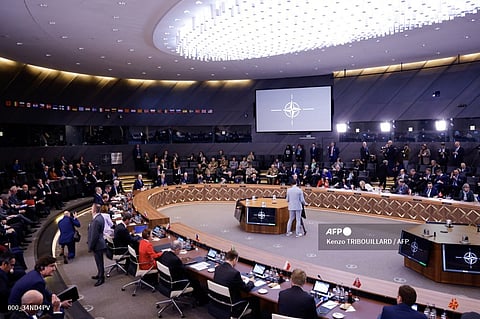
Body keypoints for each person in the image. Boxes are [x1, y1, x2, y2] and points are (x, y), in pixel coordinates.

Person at [157, 240, 208, 305]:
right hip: (176, 283)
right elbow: (184, 271)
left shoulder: (165, 254)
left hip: (165, 282)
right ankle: (202, 301)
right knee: (195, 280)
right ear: (177, 249)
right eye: (180, 249)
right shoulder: (175, 260)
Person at [87, 205, 106, 287]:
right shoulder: (100, 217)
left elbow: (94, 236)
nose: (91, 210)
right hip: (99, 243)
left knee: (99, 262)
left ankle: (101, 278)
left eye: (91, 209)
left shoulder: (96, 221)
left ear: (94, 210)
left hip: (97, 244)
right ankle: (99, 274)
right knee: (99, 262)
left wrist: (90, 246)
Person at [0, 252, 15, 319]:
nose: (12, 268)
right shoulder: (1, 276)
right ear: (4, 264)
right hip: (4, 307)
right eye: (11, 265)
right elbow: (4, 292)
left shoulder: (3, 273)